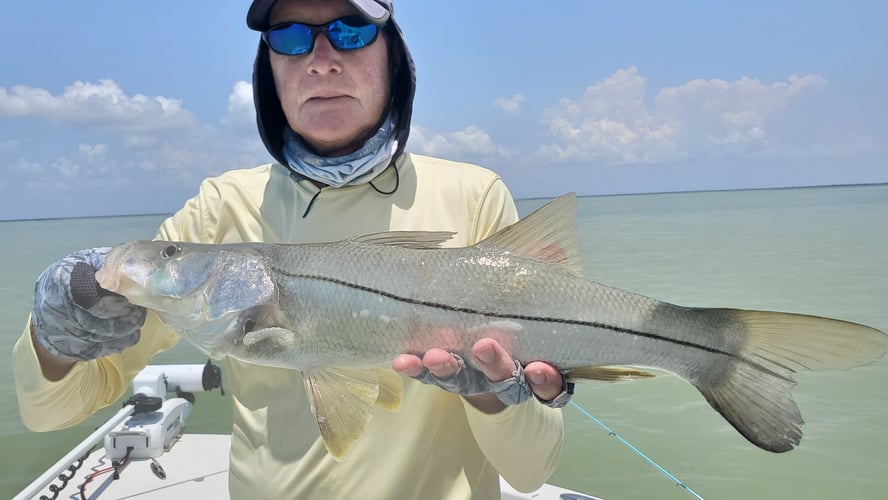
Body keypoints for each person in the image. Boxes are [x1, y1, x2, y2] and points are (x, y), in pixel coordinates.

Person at [13, 1, 567, 498]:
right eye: (291, 36)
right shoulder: (218, 211)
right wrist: (55, 335)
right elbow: (52, 410)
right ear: (268, 69)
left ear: (395, 57)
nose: (321, 59)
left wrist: (492, 394)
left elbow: (530, 470)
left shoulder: (474, 199)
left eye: (350, 30)